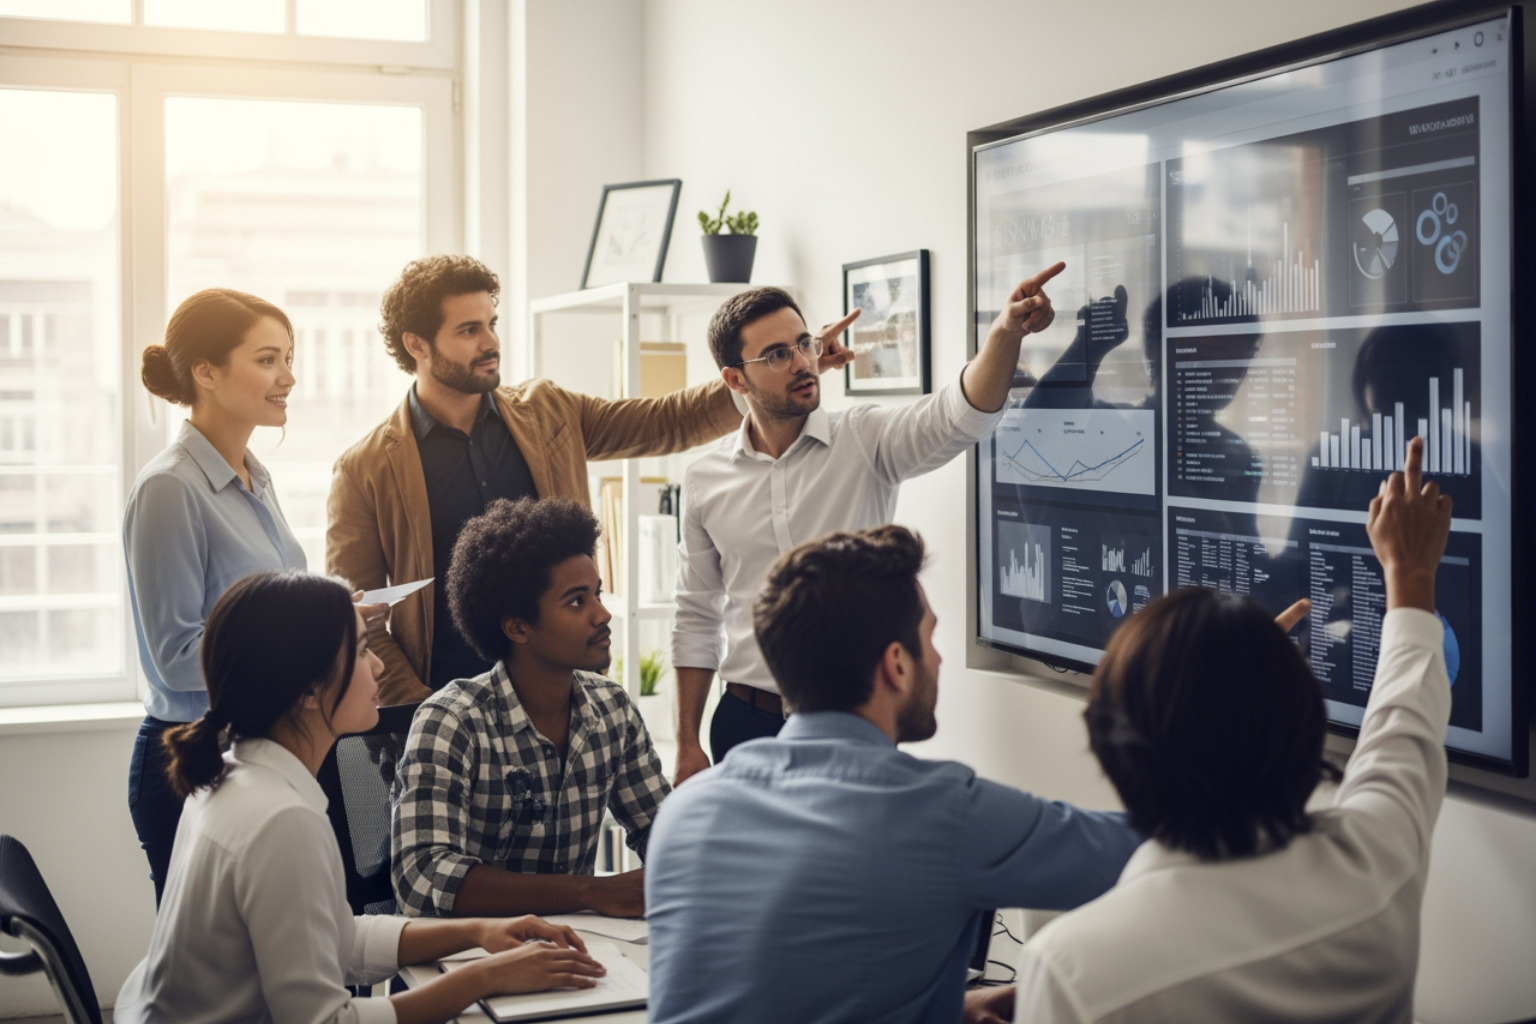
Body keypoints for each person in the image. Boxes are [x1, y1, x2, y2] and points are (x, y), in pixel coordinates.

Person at [1012, 435, 1454, 1023]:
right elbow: (1405, 715)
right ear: (1301, 725)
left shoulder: (1074, 971)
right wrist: (1409, 571)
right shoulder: (1379, 865)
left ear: (1113, 750)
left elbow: (1402, 720)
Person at [645, 524, 1141, 1024]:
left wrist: (942, 1007)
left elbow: (777, 988)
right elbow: (1150, 850)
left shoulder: (684, 813)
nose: (942, 658)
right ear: (897, 665)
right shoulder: (945, 813)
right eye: (931, 637)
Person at [329, 255, 849, 704]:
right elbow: (361, 620)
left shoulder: (546, 411)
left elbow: (665, 421)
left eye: (492, 322)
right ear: (416, 344)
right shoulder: (364, 469)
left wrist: (780, 371)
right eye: (469, 330)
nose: (491, 342)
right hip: (441, 711)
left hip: (562, 701)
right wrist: (421, 713)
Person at [114, 570, 606, 1023]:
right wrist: (485, 976)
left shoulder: (237, 774)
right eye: (364, 650)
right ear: (309, 688)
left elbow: (336, 938)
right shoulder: (279, 819)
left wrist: (478, 932)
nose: (376, 667)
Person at [670, 264, 1064, 782]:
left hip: (850, 722)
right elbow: (696, 614)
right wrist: (685, 743)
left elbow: (959, 414)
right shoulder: (704, 479)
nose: (802, 362)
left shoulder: (865, 438)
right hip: (744, 722)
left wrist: (1005, 334)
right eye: (777, 354)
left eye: (804, 343)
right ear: (734, 379)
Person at [392, 497, 668, 919]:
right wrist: (590, 893)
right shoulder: (452, 721)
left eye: (597, 593)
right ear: (517, 627)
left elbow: (662, 833)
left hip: (582, 952)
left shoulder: (613, 709)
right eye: (577, 602)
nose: (603, 614)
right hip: (469, 960)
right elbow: (423, 876)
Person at [125, 288, 309, 903]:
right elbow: (176, 654)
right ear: (206, 371)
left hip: (254, 751)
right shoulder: (169, 489)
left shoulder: (256, 474)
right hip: (188, 763)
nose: (287, 376)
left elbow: (264, 607)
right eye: (266, 359)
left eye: (288, 356)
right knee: (208, 979)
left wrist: (328, 613)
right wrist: (303, 643)